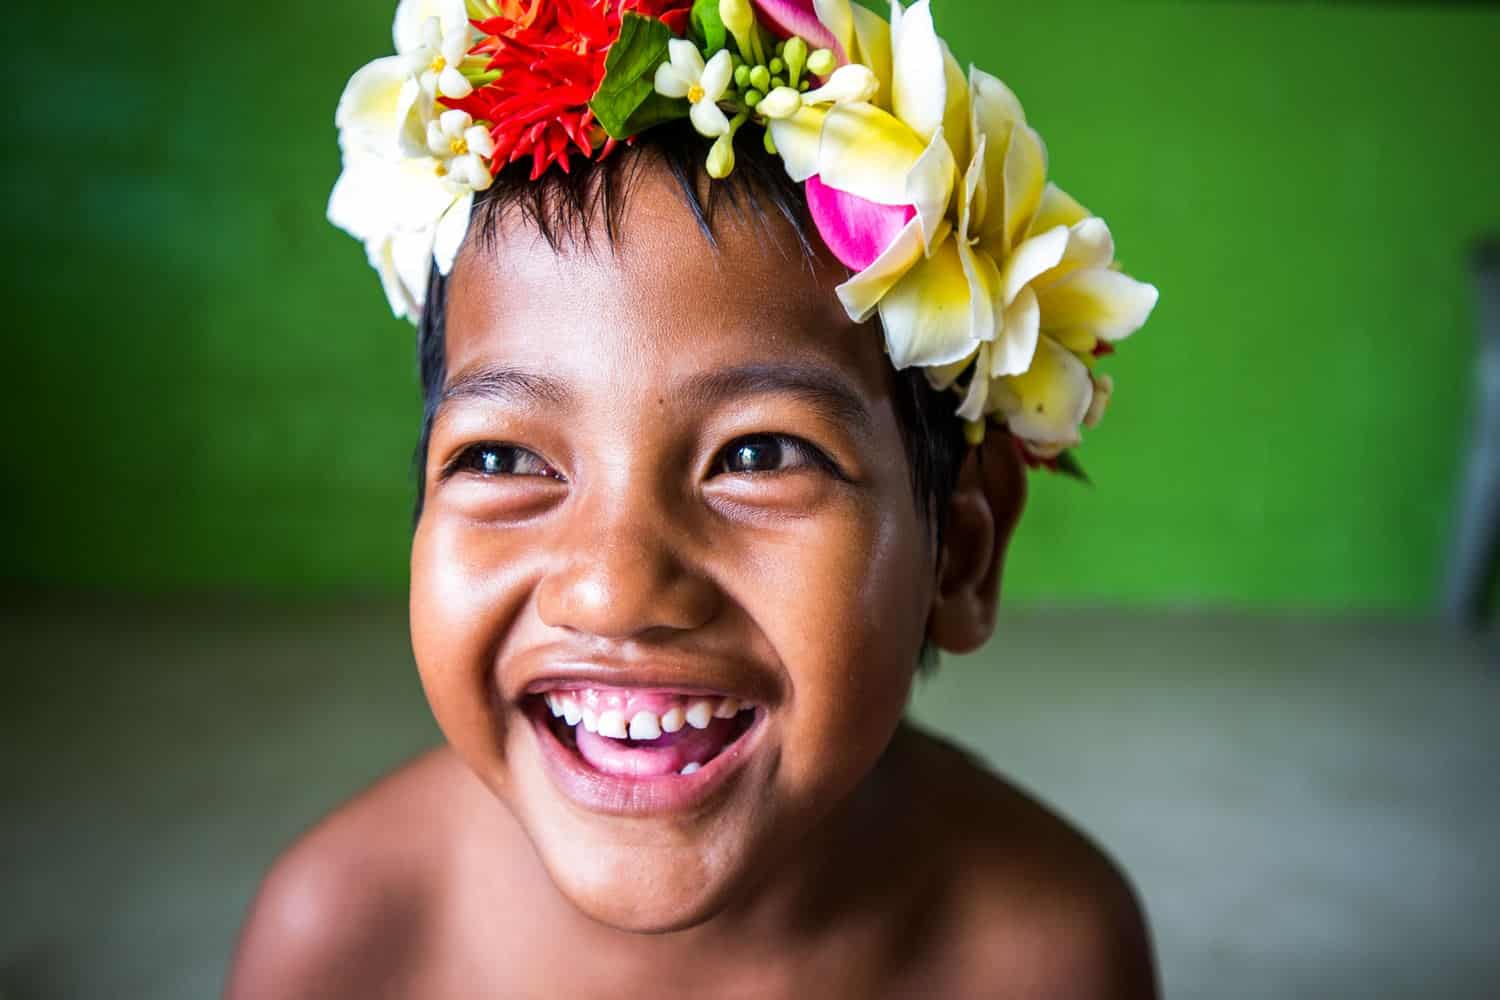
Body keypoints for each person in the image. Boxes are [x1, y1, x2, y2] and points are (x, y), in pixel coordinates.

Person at [228, 1, 1160, 995]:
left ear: (960, 555)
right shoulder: (346, 940)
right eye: (502, 460)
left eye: (759, 453)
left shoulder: (1044, 955)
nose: (616, 590)